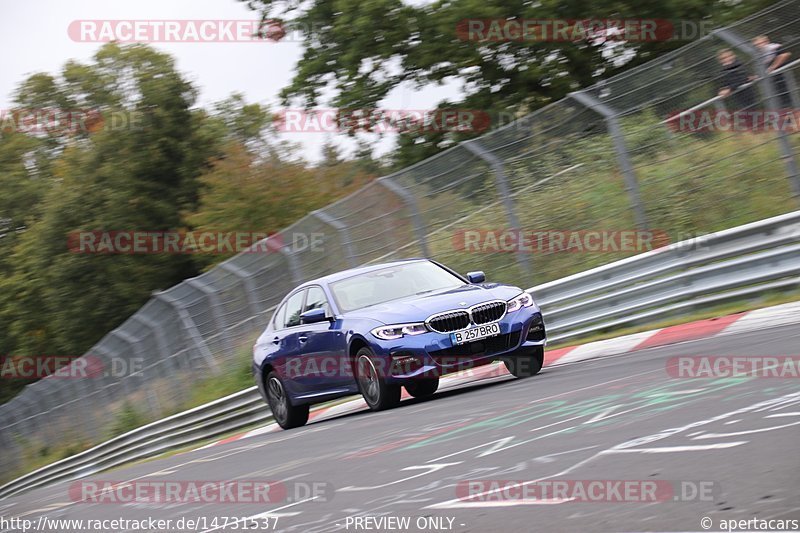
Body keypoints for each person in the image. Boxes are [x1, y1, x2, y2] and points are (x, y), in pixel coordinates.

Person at [752, 35, 793, 108]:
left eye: (760, 43)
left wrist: (772, 67)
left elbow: (785, 55)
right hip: (774, 84)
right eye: (756, 45)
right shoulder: (761, 55)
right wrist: (757, 76)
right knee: (782, 105)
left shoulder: (774, 47)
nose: (758, 46)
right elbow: (764, 70)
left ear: (767, 41)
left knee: (789, 102)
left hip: (783, 78)